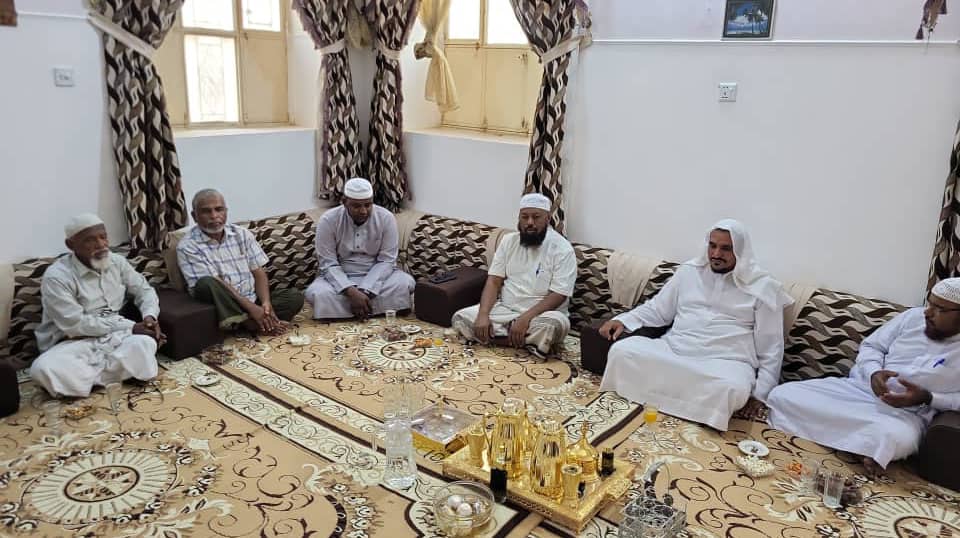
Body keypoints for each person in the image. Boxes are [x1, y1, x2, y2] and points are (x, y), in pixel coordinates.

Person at [598, 219, 793, 431]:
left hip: (726, 361)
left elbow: (771, 347)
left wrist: (761, 394)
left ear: (740, 251)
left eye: (726, 248)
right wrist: (623, 320)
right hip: (675, 348)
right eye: (712, 245)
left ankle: (677, 405)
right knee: (622, 351)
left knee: (732, 387)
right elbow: (658, 309)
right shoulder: (689, 272)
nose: (716, 254)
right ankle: (684, 406)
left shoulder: (763, 287)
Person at [767, 277, 960, 474]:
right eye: (930, 304)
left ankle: (855, 444)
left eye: (939, 309)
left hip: (907, 414)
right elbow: (872, 346)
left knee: (894, 438)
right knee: (782, 395)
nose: (927, 313)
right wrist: (873, 372)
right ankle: (860, 448)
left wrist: (928, 397)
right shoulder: (912, 317)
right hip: (859, 390)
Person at [30, 214, 164, 397]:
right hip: (73, 341)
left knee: (144, 343)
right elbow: (75, 324)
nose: (101, 244)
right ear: (70, 245)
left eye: (103, 237)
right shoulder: (57, 277)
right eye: (90, 240)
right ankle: (117, 374)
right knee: (43, 368)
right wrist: (131, 327)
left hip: (115, 336)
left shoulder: (116, 262)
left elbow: (144, 291)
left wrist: (149, 317)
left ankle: (86, 381)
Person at [451, 193, 577, 358]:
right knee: (460, 318)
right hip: (505, 309)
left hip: (541, 315)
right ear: (519, 218)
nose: (529, 222)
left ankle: (494, 337)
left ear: (547, 218)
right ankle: (524, 341)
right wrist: (483, 315)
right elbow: (494, 281)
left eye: (536, 217)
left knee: (552, 326)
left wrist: (525, 319)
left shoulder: (562, 249)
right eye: (525, 217)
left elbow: (559, 294)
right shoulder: (508, 241)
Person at [177, 189, 304, 334]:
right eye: (206, 211)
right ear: (195, 216)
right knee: (206, 283)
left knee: (294, 297)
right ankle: (249, 323)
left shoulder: (241, 234)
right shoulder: (188, 246)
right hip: (222, 303)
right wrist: (252, 308)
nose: (214, 216)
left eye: (219, 209)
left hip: (251, 298)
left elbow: (258, 272)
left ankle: (250, 321)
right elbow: (216, 283)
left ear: (226, 211)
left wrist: (266, 304)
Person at [305, 177, 415, 319]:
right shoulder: (328, 220)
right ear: (344, 202)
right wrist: (351, 292)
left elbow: (387, 261)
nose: (363, 211)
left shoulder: (386, 218)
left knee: (404, 283)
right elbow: (328, 263)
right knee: (318, 293)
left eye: (368, 205)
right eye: (356, 206)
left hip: (377, 275)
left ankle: (348, 310)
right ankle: (379, 308)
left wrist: (366, 290)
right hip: (341, 275)